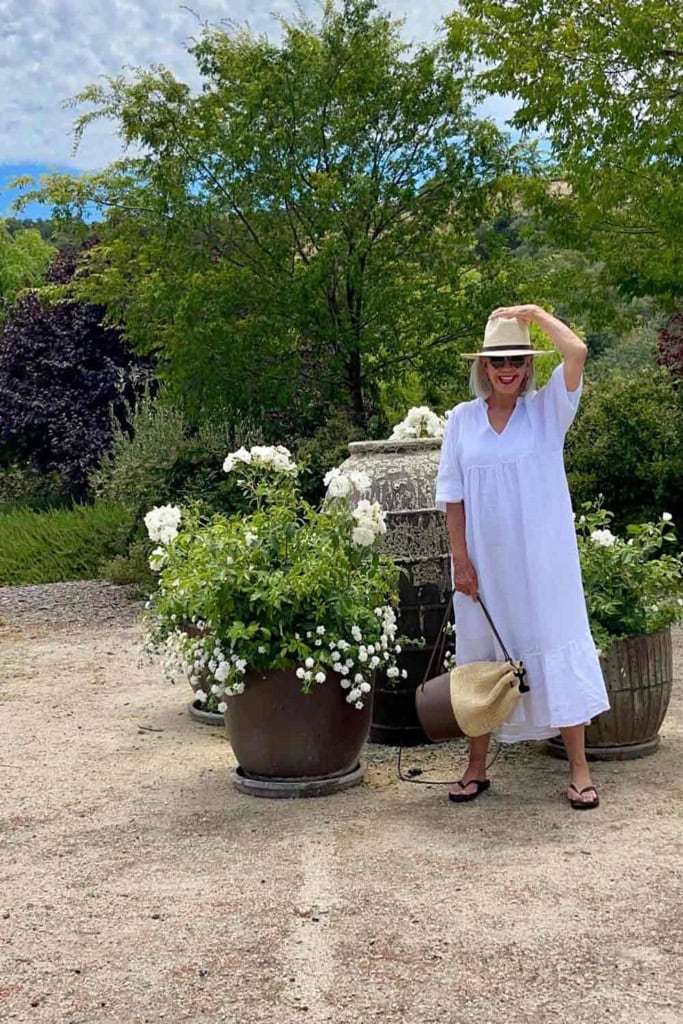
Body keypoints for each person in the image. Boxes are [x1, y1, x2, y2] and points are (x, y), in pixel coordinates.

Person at [434, 304, 610, 809]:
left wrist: (533, 314)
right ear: (483, 368)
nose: (507, 368)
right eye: (497, 360)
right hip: (485, 568)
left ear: (528, 365)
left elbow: (576, 351)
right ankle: (475, 767)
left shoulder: (547, 411)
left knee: (555, 643)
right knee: (481, 661)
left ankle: (579, 770)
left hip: (544, 563)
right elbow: (453, 496)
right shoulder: (461, 422)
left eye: (516, 358)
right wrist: (460, 560)